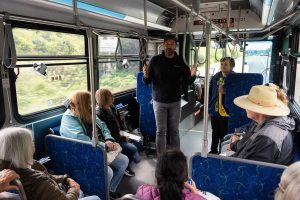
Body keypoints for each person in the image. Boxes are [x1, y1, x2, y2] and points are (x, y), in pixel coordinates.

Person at [60, 91, 128, 199]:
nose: (91, 106)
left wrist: (108, 139)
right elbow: (80, 140)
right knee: (108, 172)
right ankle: (103, 195)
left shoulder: (89, 111)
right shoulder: (69, 118)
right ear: (82, 104)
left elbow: (103, 126)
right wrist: (104, 145)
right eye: (88, 103)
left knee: (124, 161)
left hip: (99, 147)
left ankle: (110, 190)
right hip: (83, 152)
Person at [0, 127, 100, 200]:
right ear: (23, 150)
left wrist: (64, 178)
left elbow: (45, 176)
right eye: (31, 142)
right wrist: (74, 189)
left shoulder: (7, 170)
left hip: (55, 191)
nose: (33, 144)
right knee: (95, 198)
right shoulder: (37, 182)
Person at [142, 34, 197, 154]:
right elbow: (147, 81)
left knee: (174, 131)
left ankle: (175, 156)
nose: (169, 46)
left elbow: (187, 81)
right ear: (163, 44)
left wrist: (193, 75)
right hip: (159, 101)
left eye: (172, 44)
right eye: (167, 43)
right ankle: (161, 157)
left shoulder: (181, 62)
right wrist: (145, 75)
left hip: (175, 102)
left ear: (175, 46)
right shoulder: (155, 60)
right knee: (160, 131)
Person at [229, 85, 294, 164]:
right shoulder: (265, 125)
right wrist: (234, 145)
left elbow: (249, 170)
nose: (245, 108)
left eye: (248, 104)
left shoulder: (267, 138)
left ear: (258, 110)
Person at [95, 88, 138, 177]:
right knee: (132, 148)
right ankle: (126, 167)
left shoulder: (111, 107)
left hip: (120, 133)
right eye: (110, 97)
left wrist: (125, 131)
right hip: (114, 138)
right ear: (105, 99)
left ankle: (130, 159)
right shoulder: (99, 114)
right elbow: (108, 133)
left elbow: (119, 121)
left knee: (138, 140)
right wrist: (123, 138)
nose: (113, 99)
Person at [136, 149, 205, 200]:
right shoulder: (195, 198)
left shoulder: (141, 191)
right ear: (185, 178)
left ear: (156, 174)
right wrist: (196, 195)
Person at [208, 57, 235, 154]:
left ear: (232, 66)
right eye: (221, 64)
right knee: (215, 131)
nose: (223, 66)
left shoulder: (235, 78)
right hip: (215, 109)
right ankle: (213, 150)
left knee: (224, 133)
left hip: (226, 110)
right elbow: (210, 93)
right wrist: (209, 108)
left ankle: (222, 151)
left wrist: (225, 92)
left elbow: (236, 94)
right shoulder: (216, 77)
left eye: (226, 64)